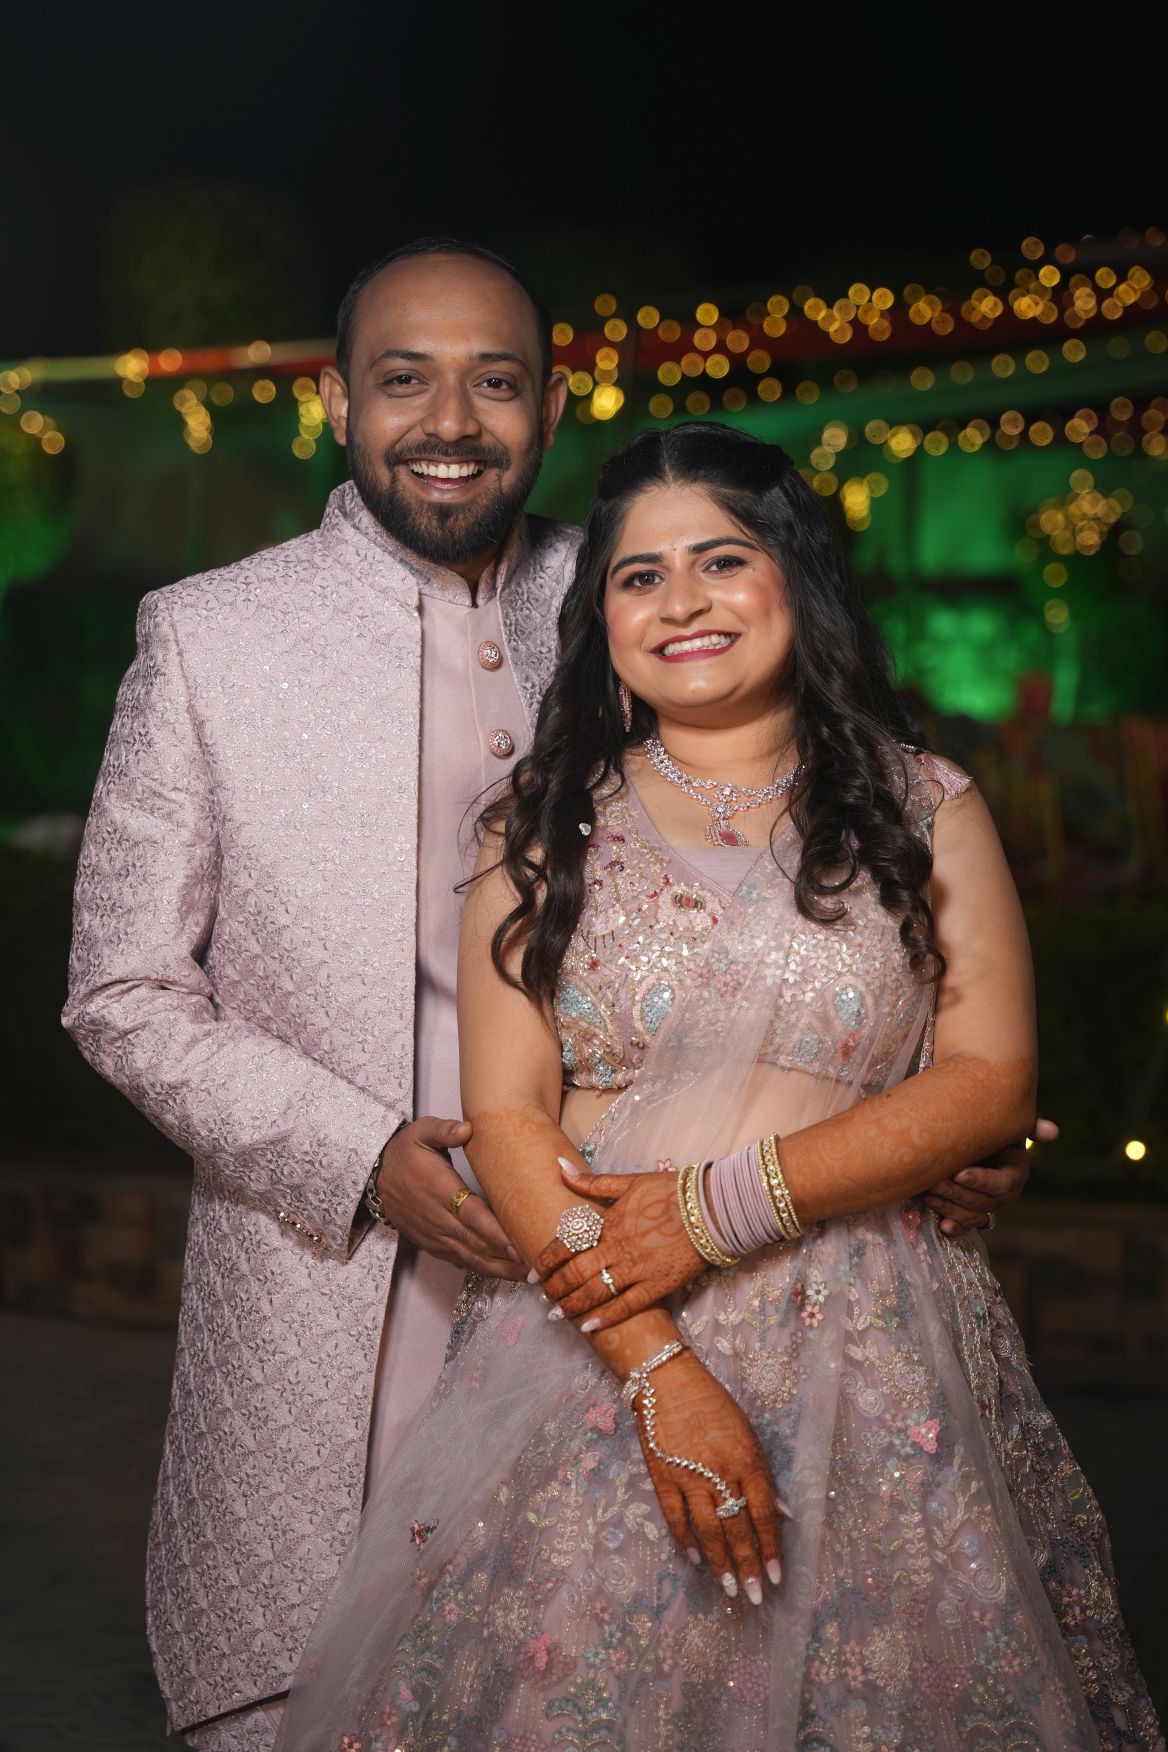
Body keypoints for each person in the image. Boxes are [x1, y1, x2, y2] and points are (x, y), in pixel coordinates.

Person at [64, 241, 1034, 1747]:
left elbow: (857, 915)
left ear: (553, 407)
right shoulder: (214, 636)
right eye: (404, 380)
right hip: (351, 1282)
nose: (450, 421)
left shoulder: (641, 580)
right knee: (328, 1695)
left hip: (704, 1273)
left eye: (496, 381)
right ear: (336, 401)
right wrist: (361, 1157)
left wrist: (931, 1127)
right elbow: (121, 987)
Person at [274, 424, 1160, 1752]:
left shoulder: (925, 807)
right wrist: (661, 1379)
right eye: (639, 577)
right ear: (604, 622)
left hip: (882, 1359)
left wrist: (710, 1211)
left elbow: (989, 1082)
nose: (681, 601)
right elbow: (508, 1124)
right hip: (596, 1350)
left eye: (722, 560)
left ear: (797, 579)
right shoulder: (538, 833)